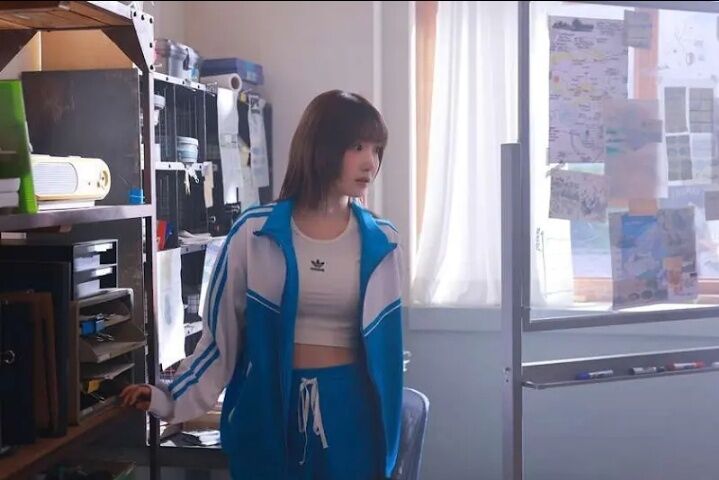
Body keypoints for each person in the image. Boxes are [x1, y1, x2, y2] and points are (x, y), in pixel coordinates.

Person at [121, 90, 404, 479]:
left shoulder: (383, 242)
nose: (371, 162)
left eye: (376, 149)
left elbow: (389, 360)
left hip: (352, 418)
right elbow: (219, 340)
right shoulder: (255, 233)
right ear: (321, 146)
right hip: (269, 413)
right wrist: (167, 398)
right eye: (358, 147)